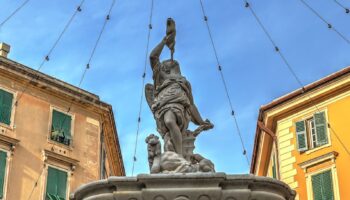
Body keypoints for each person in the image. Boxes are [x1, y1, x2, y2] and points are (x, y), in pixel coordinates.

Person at [145, 34, 213, 156]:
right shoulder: (161, 78)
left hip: (181, 108)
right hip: (164, 105)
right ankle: (179, 156)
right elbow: (152, 56)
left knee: (171, 123)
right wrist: (164, 41)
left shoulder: (184, 82)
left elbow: (191, 105)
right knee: (169, 122)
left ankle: (179, 156)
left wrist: (201, 121)